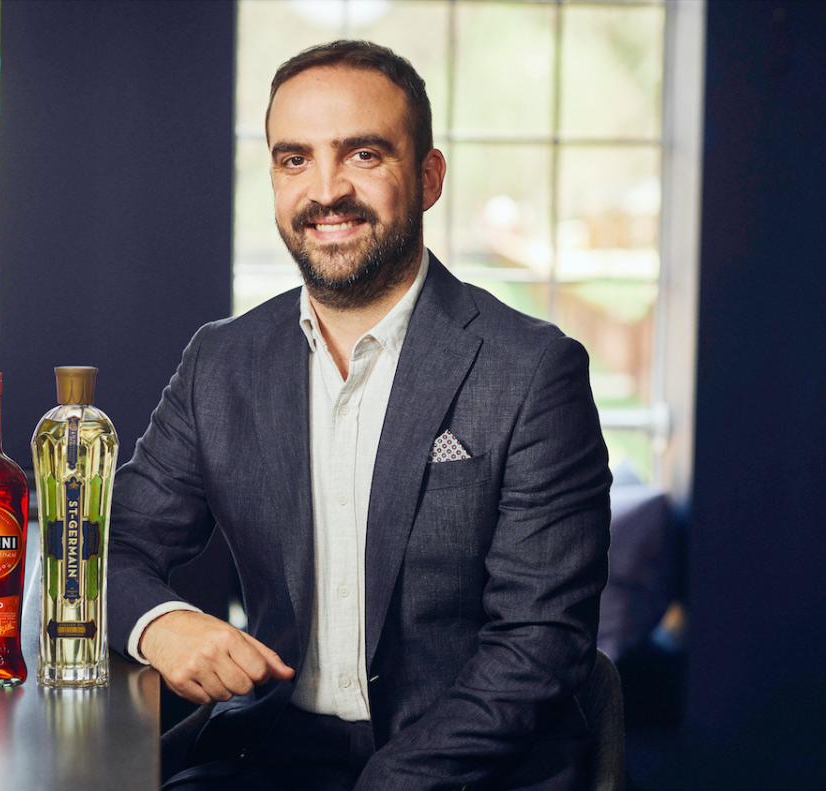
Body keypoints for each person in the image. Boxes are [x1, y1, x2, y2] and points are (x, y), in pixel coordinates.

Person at [107, 40, 612, 791]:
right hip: (270, 749)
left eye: (364, 155)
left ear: (429, 177)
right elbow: (98, 549)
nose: (327, 190)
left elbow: (538, 645)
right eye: (295, 159)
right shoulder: (221, 363)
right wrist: (160, 623)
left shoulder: (533, 370)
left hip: (472, 765)